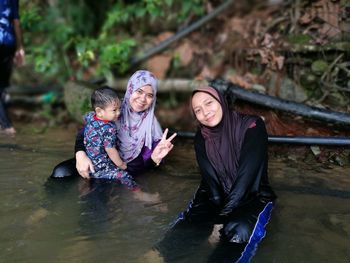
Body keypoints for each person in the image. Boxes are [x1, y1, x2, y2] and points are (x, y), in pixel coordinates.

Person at [152, 86, 277, 262]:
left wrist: (221, 219)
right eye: (198, 110)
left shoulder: (253, 125)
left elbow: (246, 178)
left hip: (253, 193)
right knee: (193, 223)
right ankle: (154, 257)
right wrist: (215, 217)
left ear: (220, 100)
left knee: (238, 230)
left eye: (209, 103)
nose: (205, 112)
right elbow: (211, 181)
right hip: (215, 191)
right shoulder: (201, 138)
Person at [51, 70, 176, 181]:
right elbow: (85, 133)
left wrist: (153, 160)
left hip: (124, 171)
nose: (143, 99)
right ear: (131, 89)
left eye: (149, 95)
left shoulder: (151, 128)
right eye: (139, 91)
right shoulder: (114, 109)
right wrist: (80, 155)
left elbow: (144, 165)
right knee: (61, 173)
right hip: (95, 160)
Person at [83, 86, 137, 190]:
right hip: (101, 169)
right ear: (99, 111)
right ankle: (137, 193)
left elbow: (85, 116)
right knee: (125, 176)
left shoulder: (90, 117)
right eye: (114, 110)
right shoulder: (109, 128)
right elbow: (110, 150)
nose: (119, 113)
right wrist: (121, 165)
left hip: (89, 164)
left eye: (119, 108)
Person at [0, 0, 25, 135]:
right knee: (2, 86)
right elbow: (16, 22)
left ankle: (7, 126)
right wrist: (19, 47)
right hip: (9, 42)